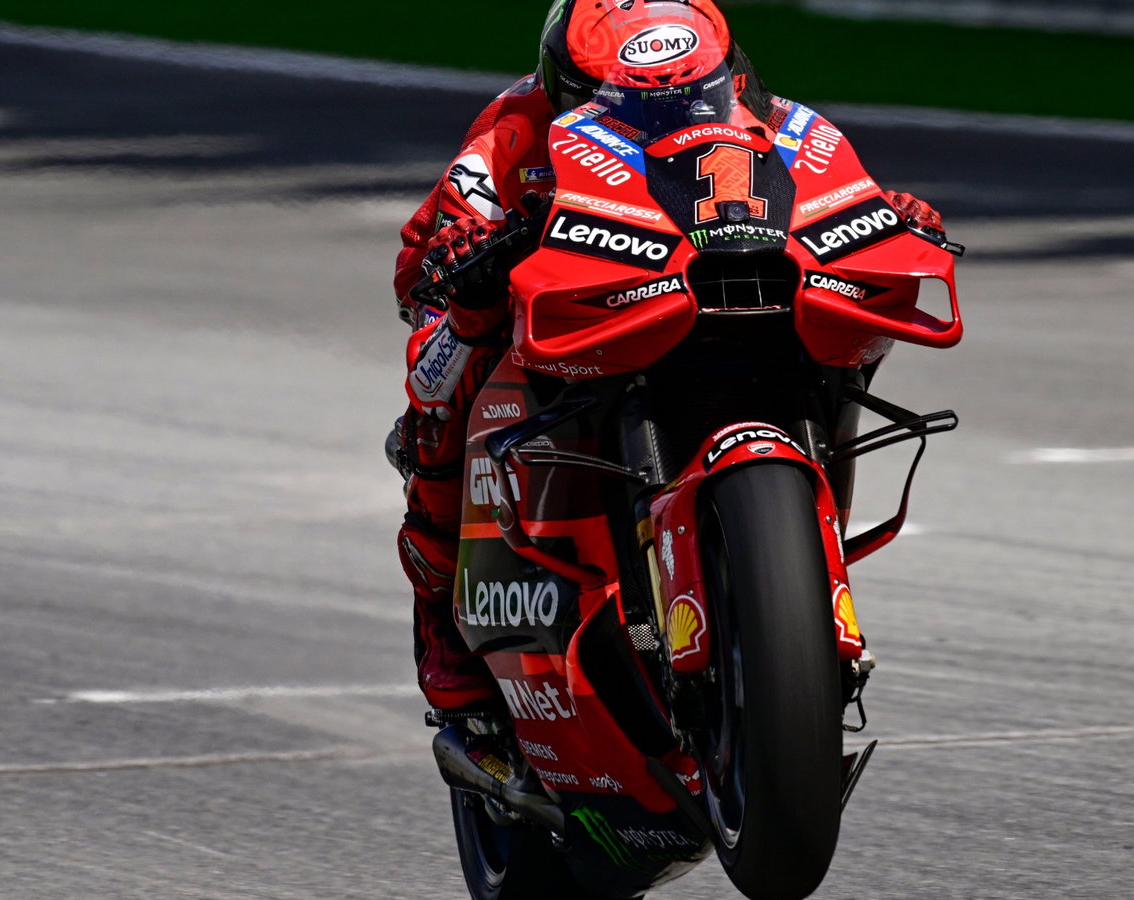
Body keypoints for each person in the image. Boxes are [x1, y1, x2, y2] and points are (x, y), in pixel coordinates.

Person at [391, 0, 941, 711]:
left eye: (693, 92)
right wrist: (463, 256)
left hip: (704, 289)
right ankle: (440, 614)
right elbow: (422, 269)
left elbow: (842, 194)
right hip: (568, 317)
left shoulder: (781, 121)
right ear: (565, 86)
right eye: (620, 101)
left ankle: (801, 573)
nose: (670, 113)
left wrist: (890, 217)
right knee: (442, 372)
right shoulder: (510, 133)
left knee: (848, 332)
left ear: (729, 75)